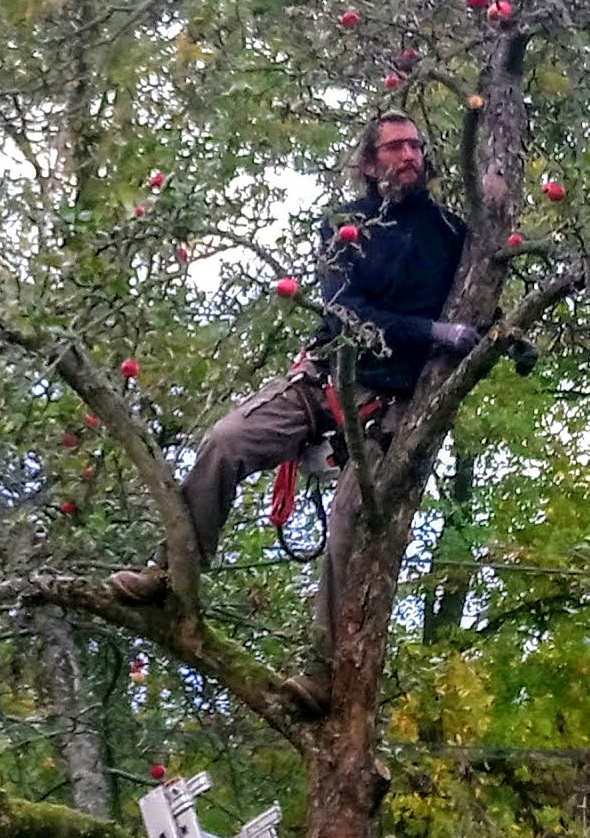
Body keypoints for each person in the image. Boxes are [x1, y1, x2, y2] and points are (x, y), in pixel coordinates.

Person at [111, 111, 513, 601]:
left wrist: (504, 335)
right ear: (370, 164)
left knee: (350, 529)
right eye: (395, 147)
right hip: (326, 377)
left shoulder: (450, 233)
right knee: (225, 441)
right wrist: (433, 332)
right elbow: (346, 313)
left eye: (415, 146)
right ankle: (171, 575)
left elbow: (479, 305)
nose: (409, 155)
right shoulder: (345, 226)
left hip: (388, 404)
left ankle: (325, 651)